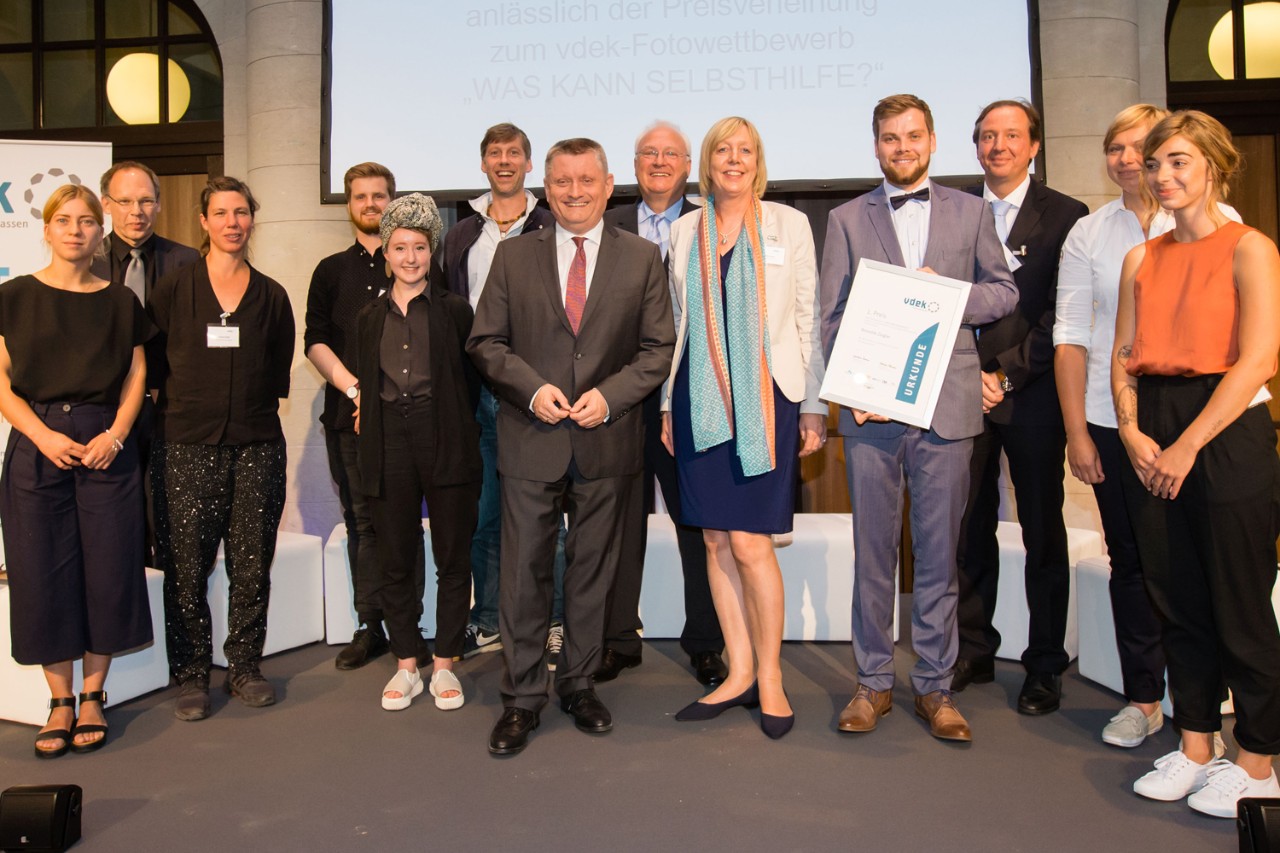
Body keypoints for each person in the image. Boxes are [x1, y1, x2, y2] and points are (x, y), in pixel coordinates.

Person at [819, 94, 1017, 742]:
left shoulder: (971, 210)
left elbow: (1004, 292)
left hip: (947, 406)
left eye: (912, 137)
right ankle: (872, 682)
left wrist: (947, 294)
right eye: (890, 139)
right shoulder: (847, 218)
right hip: (874, 409)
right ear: (876, 146)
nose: (902, 148)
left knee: (938, 556)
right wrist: (853, 386)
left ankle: (936, 686)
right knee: (872, 553)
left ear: (932, 141)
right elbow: (831, 315)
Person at [468, 137, 674, 756]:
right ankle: (523, 697)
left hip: (607, 439)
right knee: (524, 574)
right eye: (562, 182)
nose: (575, 192)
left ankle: (579, 683)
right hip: (531, 437)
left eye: (587, 181)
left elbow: (657, 350)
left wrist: (610, 397)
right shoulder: (511, 257)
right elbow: (485, 343)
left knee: (591, 573)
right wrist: (532, 392)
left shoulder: (641, 259)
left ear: (609, 186)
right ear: (546, 188)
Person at [1114, 110, 1280, 817]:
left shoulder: (1250, 247)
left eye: (1179, 161)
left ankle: (1259, 759)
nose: (1164, 176)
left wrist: (1187, 445)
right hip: (1154, 422)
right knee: (1176, 597)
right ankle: (1196, 743)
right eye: (1156, 164)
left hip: (1228, 427)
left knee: (1239, 600)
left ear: (1213, 165)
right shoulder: (1140, 258)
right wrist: (1129, 428)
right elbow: (1122, 356)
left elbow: (1259, 358)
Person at [1055, 104, 1221, 748]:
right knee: (1132, 564)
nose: (1129, 160)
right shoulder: (1089, 234)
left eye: (1143, 149)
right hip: (1106, 418)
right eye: (1117, 148)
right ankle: (1145, 698)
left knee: (1196, 564)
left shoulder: (1220, 225)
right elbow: (1070, 337)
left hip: (1194, 423)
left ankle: (1202, 703)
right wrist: (1077, 432)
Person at [661, 116, 826, 740]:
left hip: (769, 401)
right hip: (698, 400)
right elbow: (675, 327)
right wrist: (667, 408)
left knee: (752, 543)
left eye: (745, 150)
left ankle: (772, 677)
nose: (734, 160)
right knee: (714, 542)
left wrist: (813, 405)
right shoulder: (683, 232)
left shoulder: (789, 224)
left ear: (759, 161)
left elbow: (807, 316)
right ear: (707, 163)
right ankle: (736, 673)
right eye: (722, 151)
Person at [0, 185, 151, 758]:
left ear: (100, 231)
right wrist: (40, 434)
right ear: (45, 228)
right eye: (64, 220)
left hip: (105, 446)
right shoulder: (12, 297)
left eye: (87, 221)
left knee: (110, 569)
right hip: (37, 444)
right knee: (41, 573)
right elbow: (1, 381)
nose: (75, 230)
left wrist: (115, 435)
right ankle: (59, 701)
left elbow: (137, 376)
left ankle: (94, 695)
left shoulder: (120, 301)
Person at [953, 100, 1088, 715]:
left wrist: (1004, 375)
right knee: (968, 530)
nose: (997, 145)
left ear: (1034, 145)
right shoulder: (955, 211)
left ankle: (1044, 666)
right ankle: (974, 650)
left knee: (1042, 532)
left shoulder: (1067, 216)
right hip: (959, 395)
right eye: (987, 136)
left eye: (1011, 135)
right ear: (975, 146)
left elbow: (1063, 314)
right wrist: (969, 376)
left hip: (1031, 398)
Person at [149, 176, 295, 721]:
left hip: (257, 445)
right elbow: (155, 367)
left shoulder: (272, 295)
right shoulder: (173, 290)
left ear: (251, 220)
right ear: (204, 222)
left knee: (252, 564)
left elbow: (277, 373)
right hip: (185, 444)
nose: (233, 222)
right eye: (221, 213)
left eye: (241, 212)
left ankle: (244, 667)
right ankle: (190, 674)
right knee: (185, 566)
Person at [598, 120, 726, 687]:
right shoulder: (604, 223)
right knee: (617, 524)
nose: (658, 161)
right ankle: (619, 638)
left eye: (669, 153)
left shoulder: (711, 222)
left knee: (696, 523)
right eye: (647, 152)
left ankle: (705, 641)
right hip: (616, 397)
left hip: (689, 395)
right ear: (633, 164)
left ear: (687, 165)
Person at [439, 123, 565, 665]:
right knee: (486, 514)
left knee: (549, 517)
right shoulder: (462, 234)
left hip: (543, 393)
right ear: (484, 164)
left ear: (529, 164)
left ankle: (554, 622)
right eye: (495, 153)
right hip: (481, 395)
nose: (505, 161)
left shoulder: (553, 223)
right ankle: (488, 618)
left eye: (515, 153)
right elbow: (448, 318)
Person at [354, 194, 481, 711]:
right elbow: (365, 380)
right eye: (400, 247)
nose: (410, 257)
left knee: (453, 556)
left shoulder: (455, 311)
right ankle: (408, 662)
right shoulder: (367, 317)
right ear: (386, 253)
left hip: (446, 437)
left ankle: (446, 662)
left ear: (433, 254)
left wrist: (451, 423)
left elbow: (471, 383)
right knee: (395, 558)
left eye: (420, 248)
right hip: (388, 442)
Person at [305, 162, 424, 671]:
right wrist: (356, 390)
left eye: (380, 196)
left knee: (406, 523)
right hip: (348, 418)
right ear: (348, 204)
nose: (370, 204)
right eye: (361, 196)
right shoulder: (331, 271)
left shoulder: (415, 263)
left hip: (410, 421)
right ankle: (369, 624)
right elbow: (315, 340)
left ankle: (409, 624)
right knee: (362, 524)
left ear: (392, 202)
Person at [93, 161, 200, 564]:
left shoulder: (187, 261)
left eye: (145, 201)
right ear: (106, 204)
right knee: (116, 520)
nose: (135, 211)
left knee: (170, 517)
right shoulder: (89, 261)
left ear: (158, 205)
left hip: (170, 408)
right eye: (125, 201)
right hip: (107, 409)